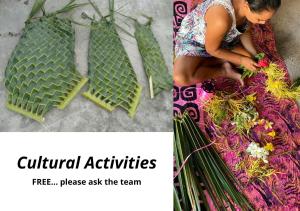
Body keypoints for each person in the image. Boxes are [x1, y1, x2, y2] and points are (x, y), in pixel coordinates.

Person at [174, 0, 281, 86]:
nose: (263, 23)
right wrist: (241, 60)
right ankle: (224, 70)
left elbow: (246, 32)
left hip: (223, 40)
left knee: (250, 60)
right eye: (259, 19)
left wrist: (254, 53)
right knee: (181, 78)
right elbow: (211, 49)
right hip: (197, 41)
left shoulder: (246, 8)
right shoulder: (221, 20)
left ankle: (219, 62)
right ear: (246, 5)